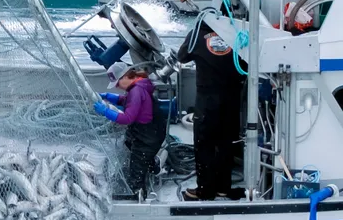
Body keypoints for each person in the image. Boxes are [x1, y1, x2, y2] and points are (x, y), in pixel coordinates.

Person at [177, 21, 246, 200]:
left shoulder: (197, 35)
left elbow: (181, 57)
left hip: (207, 99)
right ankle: (223, 187)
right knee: (227, 143)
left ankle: (205, 190)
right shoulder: (237, 33)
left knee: (204, 144)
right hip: (232, 98)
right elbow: (246, 64)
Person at [93, 64, 166, 197]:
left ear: (126, 76)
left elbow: (127, 118)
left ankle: (138, 195)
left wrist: (105, 112)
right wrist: (109, 96)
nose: (117, 86)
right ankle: (153, 166)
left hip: (148, 138)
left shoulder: (136, 91)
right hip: (152, 132)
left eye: (117, 82)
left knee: (135, 172)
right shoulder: (139, 85)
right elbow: (127, 101)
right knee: (130, 143)